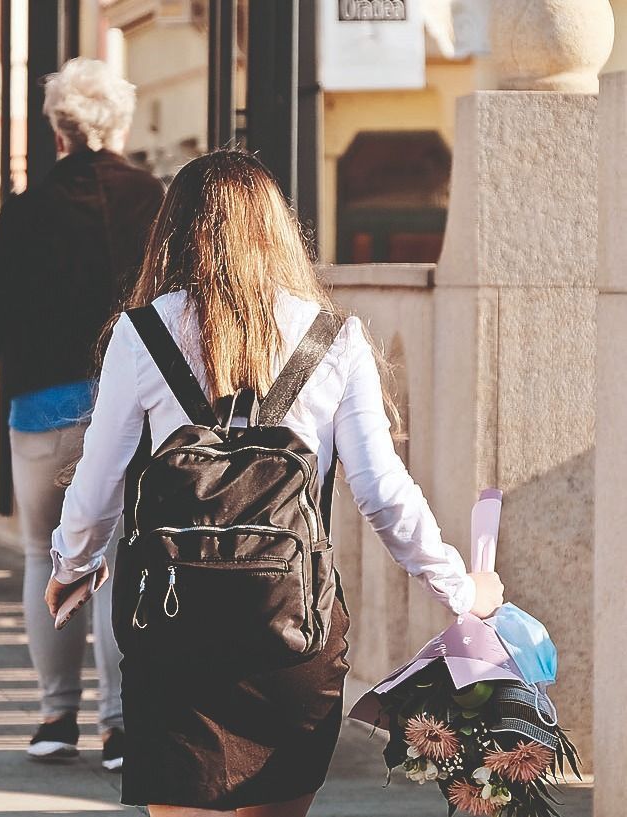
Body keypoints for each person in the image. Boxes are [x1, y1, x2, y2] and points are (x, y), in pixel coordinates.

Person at [45, 150, 505, 816]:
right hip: (293, 631)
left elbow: (99, 481)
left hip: (173, 632)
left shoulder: (139, 334)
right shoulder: (333, 338)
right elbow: (380, 491)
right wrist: (461, 590)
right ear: (279, 231)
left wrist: (73, 562)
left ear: (173, 231)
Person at [0, 58, 164, 770]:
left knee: (46, 555)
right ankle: (119, 725)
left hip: (40, 409)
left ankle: (54, 715)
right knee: (118, 563)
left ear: (57, 130)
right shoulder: (154, 200)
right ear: (117, 124)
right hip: (131, 413)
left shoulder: (26, 210)